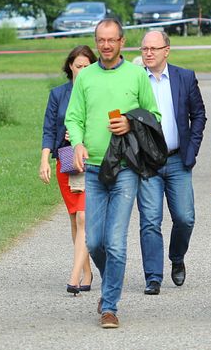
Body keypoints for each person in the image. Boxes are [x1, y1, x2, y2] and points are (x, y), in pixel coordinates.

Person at [64, 19, 160, 329]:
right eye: (100, 40)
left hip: (125, 168)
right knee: (94, 243)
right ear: (96, 42)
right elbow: (74, 117)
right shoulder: (86, 77)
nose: (106, 45)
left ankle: (109, 306)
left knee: (116, 243)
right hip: (92, 167)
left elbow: (154, 115)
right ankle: (111, 284)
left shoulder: (136, 75)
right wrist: (77, 144)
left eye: (111, 40)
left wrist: (132, 123)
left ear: (121, 42)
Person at [136, 31, 207, 295]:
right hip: (147, 163)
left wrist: (192, 150)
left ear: (167, 50)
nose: (149, 53)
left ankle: (177, 257)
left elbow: (198, 115)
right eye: (144, 49)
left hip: (178, 159)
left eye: (154, 48)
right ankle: (153, 276)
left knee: (185, 218)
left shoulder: (184, 77)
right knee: (150, 220)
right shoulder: (134, 79)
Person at [39, 45, 97, 295]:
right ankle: (86, 270)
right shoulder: (58, 94)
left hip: (92, 160)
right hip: (66, 161)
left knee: (84, 217)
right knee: (75, 217)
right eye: (78, 66)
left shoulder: (98, 91)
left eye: (87, 66)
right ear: (70, 67)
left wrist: (80, 135)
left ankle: (74, 277)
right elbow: (48, 129)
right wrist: (44, 161)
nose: (82, 70)